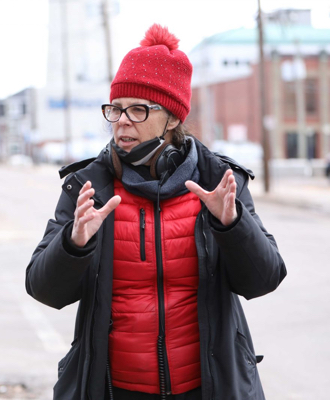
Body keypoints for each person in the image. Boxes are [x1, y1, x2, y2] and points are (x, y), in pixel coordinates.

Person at [26, 24, 286, 400]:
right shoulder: (89, 187)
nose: (122, 121)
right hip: (115, 390)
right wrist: (74, 243)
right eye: (115, 109)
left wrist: (232, 226)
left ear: (173, 118)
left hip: (206, 389)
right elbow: (43, 288)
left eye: (138, 109)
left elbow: (265, 278)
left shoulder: (219, 182)